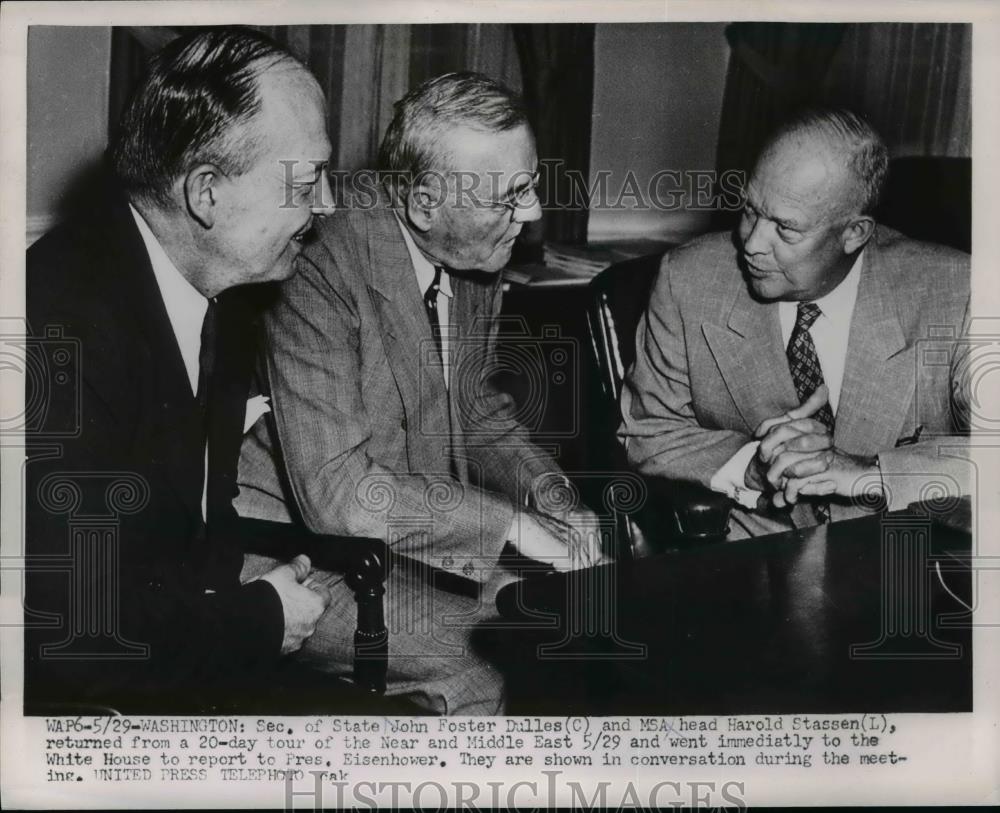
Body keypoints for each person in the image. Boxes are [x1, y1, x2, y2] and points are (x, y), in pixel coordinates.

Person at [236, 72, 602, 714]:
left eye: (531, 185)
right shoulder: (317, 258)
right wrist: (510, 525)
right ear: (425, 203)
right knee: (489, 660)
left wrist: (553, 499)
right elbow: (341, 498)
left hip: (415, 542)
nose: (534, 213)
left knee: (582, 620)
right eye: (511, 195)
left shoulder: (475, 250)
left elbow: (477, 411)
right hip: (301, 555)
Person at [25, 28, 335, 712]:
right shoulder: (59, 328)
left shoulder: (218, 292)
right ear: (207, 194)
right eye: (308, 183)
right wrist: (263, 619)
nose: (327, 208)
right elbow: (82, 636)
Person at [619, 108, 971, 539]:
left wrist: (868, 473)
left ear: (855, 233)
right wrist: (753, 465)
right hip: (756, 560)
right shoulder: (688, 280)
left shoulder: (956, 292)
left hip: (907, 563)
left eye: (785, 229)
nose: (751, 243)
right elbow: (646, 429)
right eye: (750, 210)